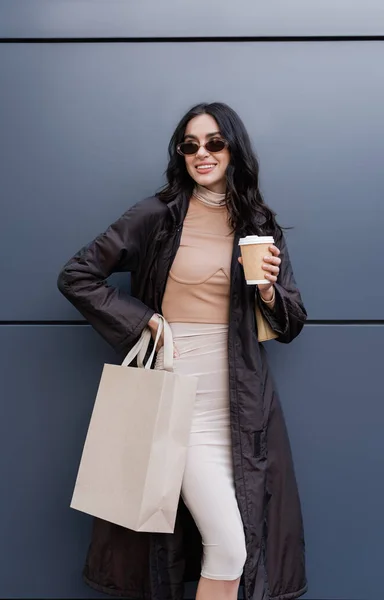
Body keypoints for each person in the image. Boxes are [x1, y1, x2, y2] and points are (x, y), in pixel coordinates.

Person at [57, 102, 308, 600]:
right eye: (190, 144)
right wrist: (144, 320)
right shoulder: (157, 214)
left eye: (214, 142)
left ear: (233, 149)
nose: (202, 153)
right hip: (177, 397)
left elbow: (291, 322)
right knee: (229, 546)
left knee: (235, 549)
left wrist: (266, 292)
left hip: (240, 405)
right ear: (181, 154)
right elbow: (77, 276)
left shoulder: (258, 223)